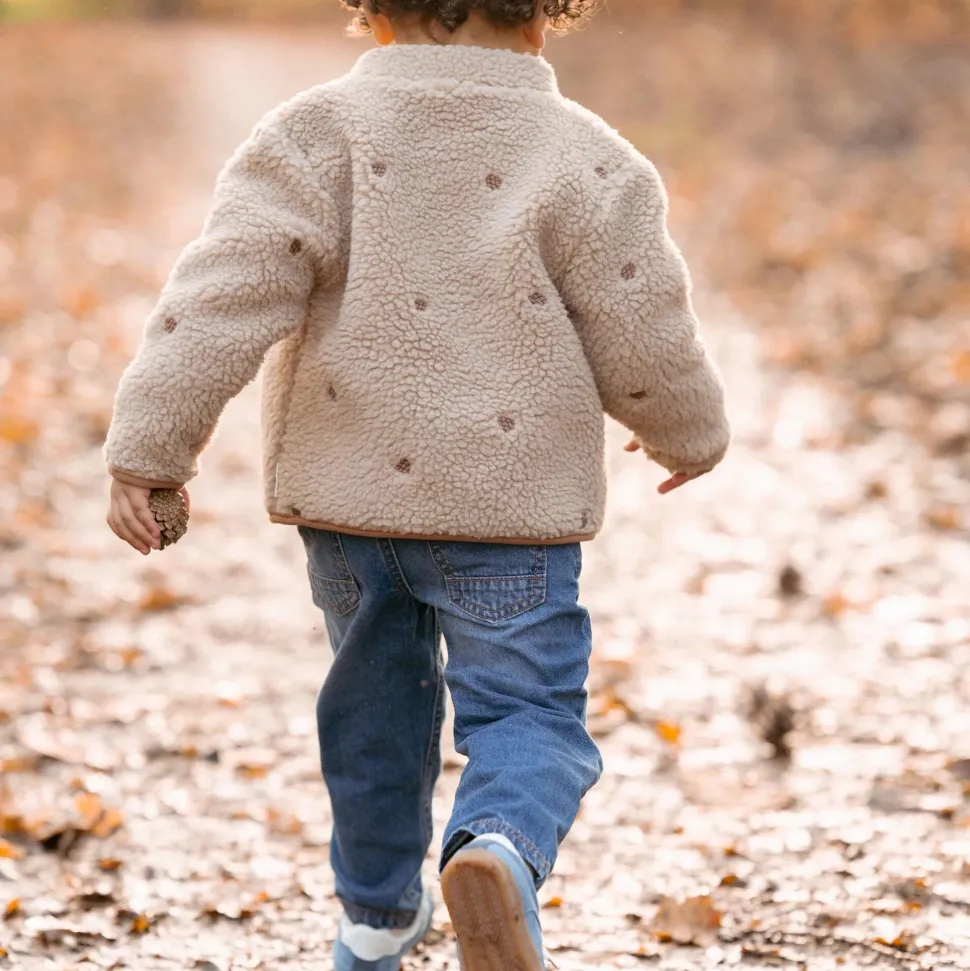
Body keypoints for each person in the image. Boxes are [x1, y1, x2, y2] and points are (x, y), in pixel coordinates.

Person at [104, 0, 730, 967]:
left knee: (374, 715)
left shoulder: (314, 136)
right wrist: (686, 430)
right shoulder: (588, 158)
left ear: (377, 15)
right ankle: (498, 851)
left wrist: (151, 448)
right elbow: (642, 318)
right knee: (528, 714)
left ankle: (377, 916)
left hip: (351, 512)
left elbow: (220, 294)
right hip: (509, 515)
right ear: (544, 18)